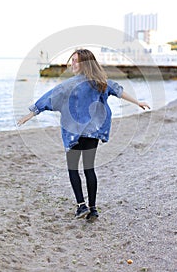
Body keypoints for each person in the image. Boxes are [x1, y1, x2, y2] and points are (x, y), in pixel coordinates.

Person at [18, 49, 150, 221]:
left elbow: (49, 98)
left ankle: (82, 206)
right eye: (72, 60)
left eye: (76, 61)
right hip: (92, 132)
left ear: (85, 64)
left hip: (74, 133)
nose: (73, 64)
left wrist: (32, 113)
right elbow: (118, 91)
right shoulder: (101, 82)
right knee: (89, 169)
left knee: (73, 169)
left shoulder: (70, 85)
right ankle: (93, 209)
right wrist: (137, 102)